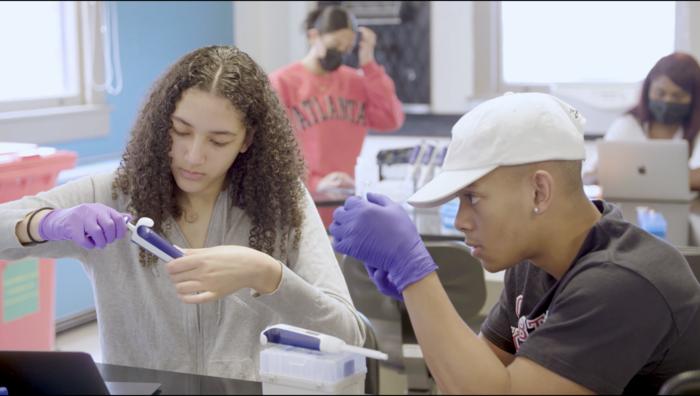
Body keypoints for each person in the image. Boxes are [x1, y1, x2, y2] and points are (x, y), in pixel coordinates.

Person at [0, 45, 364, 380]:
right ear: (163, 124)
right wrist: (46, 222)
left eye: (218, 141)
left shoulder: (283, 201)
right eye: (180, 131)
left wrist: (266, 274)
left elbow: (347, 331)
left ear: (247, 140)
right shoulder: (112, 193)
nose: (193, 156)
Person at [331, 92, 700, 394]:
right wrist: (416, 294)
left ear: (539, 191)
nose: (460, 220)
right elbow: (474, 378)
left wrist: (414, 273)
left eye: (473, 197)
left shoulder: (620, 280)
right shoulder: (532, 264)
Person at [269, 5, 405, 224]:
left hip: (345, 201)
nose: (340, 53)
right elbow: (270, 150)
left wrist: (369, 64)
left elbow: (391, 119)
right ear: (314, 36)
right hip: (301, 202)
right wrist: (314, 182)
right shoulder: (282, 83)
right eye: (335, 44)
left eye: (347, 47)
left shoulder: (357, 82)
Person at [584, 52, 700, 188]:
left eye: (678, 96)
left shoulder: (697, 130)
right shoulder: (628, 125)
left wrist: (638, 176)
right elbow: (589, 177)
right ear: (648, 90)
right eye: (660, 93)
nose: (667, 101)